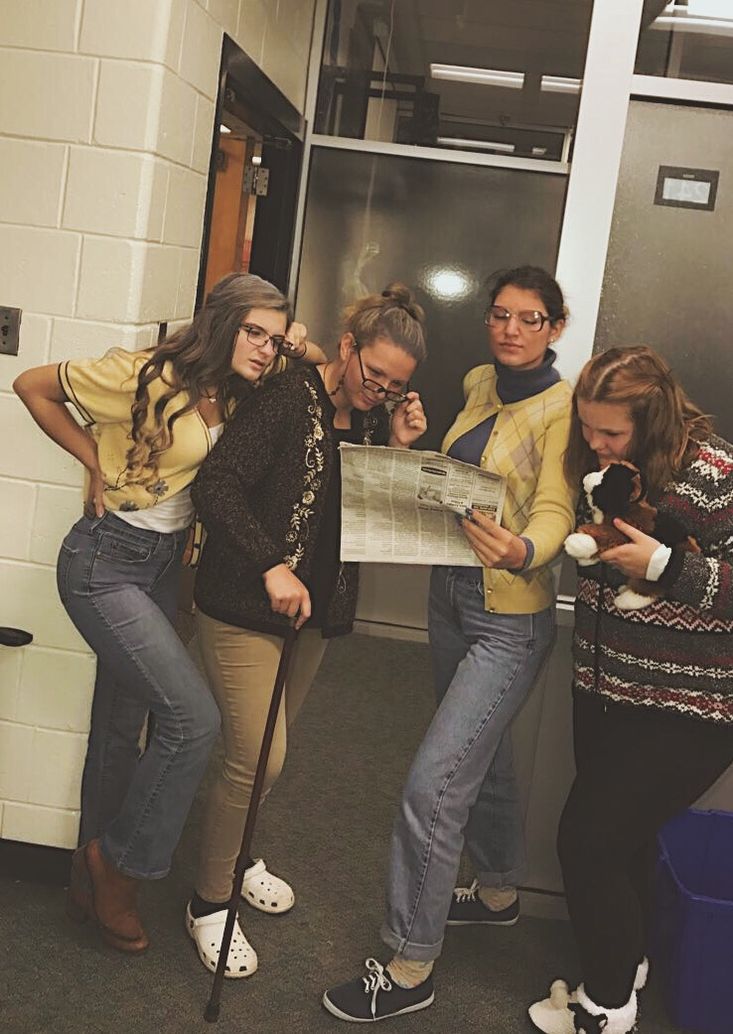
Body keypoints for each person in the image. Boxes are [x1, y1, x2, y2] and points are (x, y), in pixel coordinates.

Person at [12, 272, 321, 954]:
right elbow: (31, 385)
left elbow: (318, 357)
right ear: (221, 324)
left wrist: (295, 339)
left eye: (274, 338)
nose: (267, 349)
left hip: (163, 565)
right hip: (105, 561)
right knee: (192, 719)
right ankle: (120, 866)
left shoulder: (243, 385)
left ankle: (85, 875)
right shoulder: (144, 374)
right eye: (255, 333)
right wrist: (92, 458)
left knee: (124, 726)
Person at [323, 266, 576, 1022]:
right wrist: (412, 443)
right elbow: (460, 471)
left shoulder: (563, 409)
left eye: (530, 318)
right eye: (501, 314)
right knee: (484, 755)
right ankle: (497, 891)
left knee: (434, 785)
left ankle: (408, 965)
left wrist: (525, 552)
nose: (509, 329)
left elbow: (558, 504)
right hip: (451, 593)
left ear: (555, 328)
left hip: (510, 610)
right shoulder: (478, 382)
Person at [186, 284, 428, 978]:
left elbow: (377, 523)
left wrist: (400, 447)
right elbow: (218, 485)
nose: (379, 390)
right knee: (257, 757)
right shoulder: (289, 396)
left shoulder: (375, 420)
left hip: (313, 612)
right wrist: (270, 565)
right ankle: (208, 900)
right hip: (244, 603)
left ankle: (238, 855)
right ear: (346, 347)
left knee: (268, 752)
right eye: (371, 374)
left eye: (395, 385)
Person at [528, 346, 733, 1034]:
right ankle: (628, 964)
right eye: (589, 427)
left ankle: (606, 1010)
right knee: (625, 842)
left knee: (586, 844)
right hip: (604, 687)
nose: (595, 443)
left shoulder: (718, 476)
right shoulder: (601, 465)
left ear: (654, 422)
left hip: (690, 708)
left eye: (612, 432)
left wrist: (666, 565)